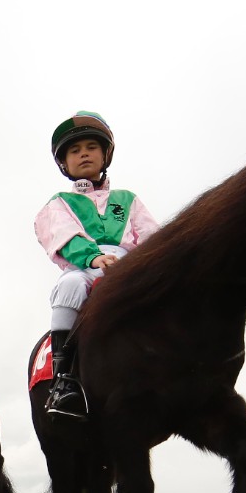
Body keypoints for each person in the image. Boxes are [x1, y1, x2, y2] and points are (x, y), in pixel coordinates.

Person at [34, 111, 159, 418]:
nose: (84, 154)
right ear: (64, 163)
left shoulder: (127, 198)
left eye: (91, 147)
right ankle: (64, 380)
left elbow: (153, 235)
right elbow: (64, 234)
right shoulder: (59, 202)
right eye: (74, 151)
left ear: (106, 155)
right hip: (83, 267)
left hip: (132, 264)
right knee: (69, 285)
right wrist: (94, 258)